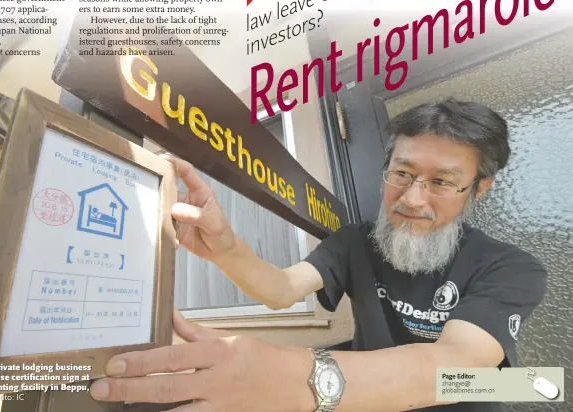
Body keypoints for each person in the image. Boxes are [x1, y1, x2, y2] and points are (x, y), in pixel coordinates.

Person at [88, 99, 548, 411]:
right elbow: (281, 290)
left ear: (479, 189)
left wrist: (292, 373)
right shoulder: (356, 241)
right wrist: (225, 247)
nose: (412, 198)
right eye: (402, 173)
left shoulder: (511, 268)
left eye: (442, 182)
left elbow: (458, 367)